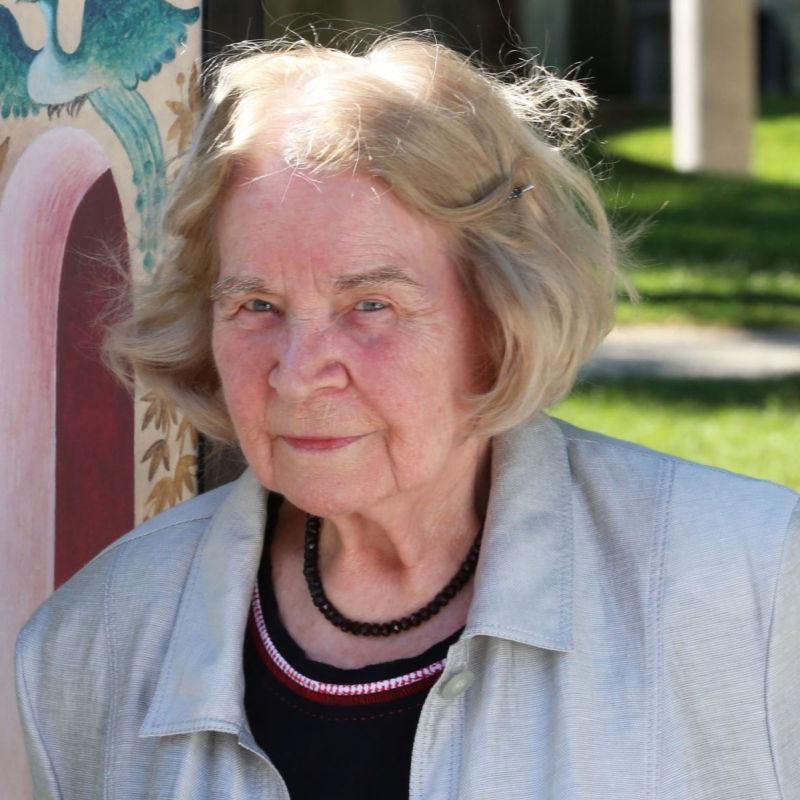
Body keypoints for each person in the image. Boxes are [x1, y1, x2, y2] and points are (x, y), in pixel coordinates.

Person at [15, 33, 799, 800]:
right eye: (256, 305)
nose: (298, 373)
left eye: (370, 305)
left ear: (499, 316)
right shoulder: (95, 646)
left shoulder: (753, 588)